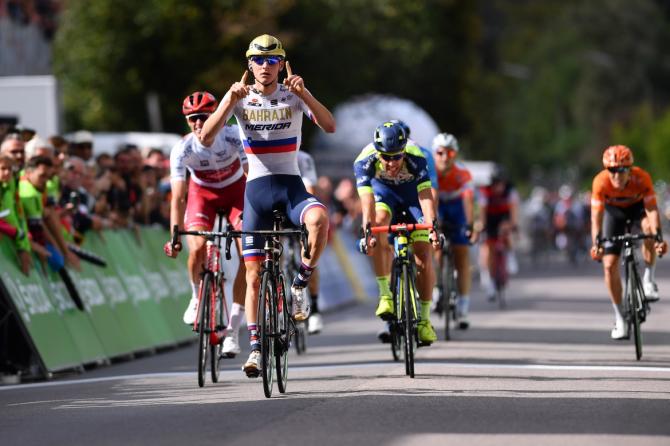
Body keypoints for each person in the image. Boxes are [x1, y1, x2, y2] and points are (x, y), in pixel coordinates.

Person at [199, 34, 336, 376]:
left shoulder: (293, 93)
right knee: (255, 274)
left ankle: (301, 282)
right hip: (257, 190)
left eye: (271, 60)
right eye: (258, 61)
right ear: (249, 65)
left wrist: (305, 93)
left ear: (281, 64)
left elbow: (330, 125)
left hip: (290, 185)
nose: (264, 66)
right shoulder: (241, 98)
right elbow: (204, 138)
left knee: (319, 220)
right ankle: (256, 349)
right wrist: (227, 101)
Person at [164, 91, 249, 358]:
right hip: (202, 196)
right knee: (197, 247)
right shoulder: (182, 148)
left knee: (248, 252)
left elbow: (251, 174)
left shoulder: (234, 135)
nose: (199, 123)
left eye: (204, 117)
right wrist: (175, 235)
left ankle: (234, 327)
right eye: (192, 119)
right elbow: (178, 196)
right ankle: (195, 296)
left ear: (216, 115)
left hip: (237, 191)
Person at [354, 121, 440, 345]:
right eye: (386, 157)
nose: (391, 163)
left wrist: (432, 227)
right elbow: (367, 201)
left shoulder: (416, 156)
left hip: (413, 199)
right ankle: (385, 296)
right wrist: (368, 231)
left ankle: (424, 320)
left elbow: (425, 197)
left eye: (396, 157)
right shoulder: (364, 160)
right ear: (377, 153)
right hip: (385, 197)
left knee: (422, 253)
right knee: (379, 223)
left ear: (403, 151)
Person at [590, 145, 667, 339]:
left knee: (648, 230)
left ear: (630, 169)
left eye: (622, 170)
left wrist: (658, 236)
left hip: (637, 209)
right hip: (613, 214)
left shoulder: (642, 178)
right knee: (609, 265)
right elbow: (596, 216)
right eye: (612, 170)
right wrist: (596, 243)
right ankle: (620, 319)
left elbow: (651, 210)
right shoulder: (600, 182)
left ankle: (649, 279)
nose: (617, 175)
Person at [431, 132, 477, 328]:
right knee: (435, 248)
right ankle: (437, 287)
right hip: (437, 206)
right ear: (434, 154)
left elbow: (468, 199)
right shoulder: (428, 170)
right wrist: (433, 221)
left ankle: (464, 305)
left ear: (455, 155)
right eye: (440, 153)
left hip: (458, 208)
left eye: (449, 154)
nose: (444, 158)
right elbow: (428, 197)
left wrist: (469, 224)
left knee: (461, 254)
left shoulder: (462, 172)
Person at [477, 164, 520, 300]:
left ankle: (510, 255)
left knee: (507, 231)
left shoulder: (511, 191)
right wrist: (481, 226)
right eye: (496, 183)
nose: (498, 187)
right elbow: (482, 212)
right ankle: (488, 278)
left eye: (501, 183)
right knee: (487, 248)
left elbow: (514, 212)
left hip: (504, 216)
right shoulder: (485, 192)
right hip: (489, 218)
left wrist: (512, 225)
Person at [297, 150, 324, 334]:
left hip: (301, 207)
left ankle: (314, 309)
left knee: (308, 253)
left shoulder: (304, 158)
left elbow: (310, 191)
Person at [0, 154, 31, 274]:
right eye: (3, 168)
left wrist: (24, 247)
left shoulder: (10, 186)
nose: (7, 172)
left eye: (10, 169)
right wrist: (16, 233)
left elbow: (19, 218)